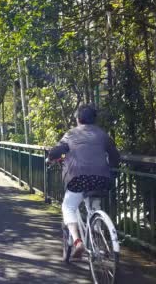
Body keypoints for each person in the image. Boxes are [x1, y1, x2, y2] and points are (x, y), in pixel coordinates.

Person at [48, 104, 120, 259]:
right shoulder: (103, 135)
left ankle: (78, 241)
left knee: (68, 207)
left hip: (78, 178)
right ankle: (98, 239)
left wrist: (50, 158)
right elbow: (115, 157)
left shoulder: (71, 134)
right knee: (94, 206)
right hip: (102, 179)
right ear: (94, 119)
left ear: (78, 119)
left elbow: (55, 152)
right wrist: (111, 167)